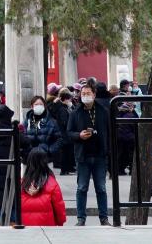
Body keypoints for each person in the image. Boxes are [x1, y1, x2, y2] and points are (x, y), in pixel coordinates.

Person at [69, 84, 111, 226]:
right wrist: (79, 135)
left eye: (88, 93)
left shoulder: (103, 111)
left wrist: (108, 150)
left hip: (100, 155)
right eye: (83, 94)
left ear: (94, 94)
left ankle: (104, 218)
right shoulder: (75, 112)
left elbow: (109, 132)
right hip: (83, 155)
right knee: (82, 187)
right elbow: (69, 133)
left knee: (101, 188)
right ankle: (81, 218)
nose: (85, 96)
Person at [20, 147, 67, 226]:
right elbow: (59, 207)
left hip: (25, 227)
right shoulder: (52, 183)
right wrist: (60, 222)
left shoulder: (21, 184)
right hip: (47, 227)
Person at [22, 95, 62, 162]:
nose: (38, 106)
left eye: (41, 104)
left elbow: (59, 139)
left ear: (44, 106)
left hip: (46, 159)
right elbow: (22, 138)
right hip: (28, 158)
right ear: (32, 106)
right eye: (36, 104)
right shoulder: (26, 121)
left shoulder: (52, 122)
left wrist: (50, 150)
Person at [49, 89, 75, 175]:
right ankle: (65, 170)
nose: (70, 101)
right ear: (66, 99)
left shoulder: (61, 107)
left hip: (64, 133)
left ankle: (66, 169)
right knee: (66, 152)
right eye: (69, 99)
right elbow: (64, 122)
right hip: (65, 134)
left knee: (66, 152)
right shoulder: (62, 109)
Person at [115, 100, 138, 175]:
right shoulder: (131, 115)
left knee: (121, 155)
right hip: (130, 138)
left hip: (120, 137)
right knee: (131, 155)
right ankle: (132, 170)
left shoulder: (120, 113)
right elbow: (135, 126)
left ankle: (119, 170)